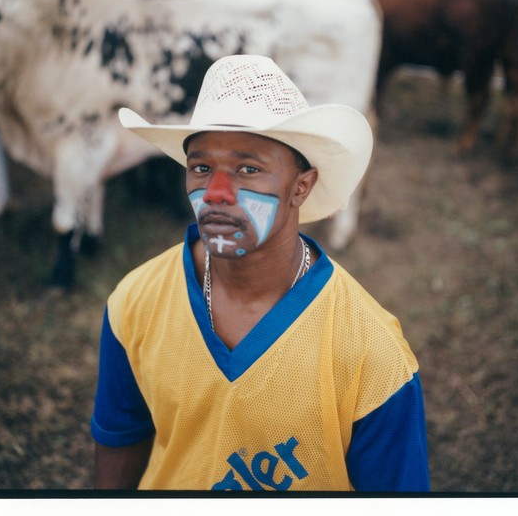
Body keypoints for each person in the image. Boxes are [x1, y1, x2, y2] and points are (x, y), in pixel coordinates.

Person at [90, 54, 430, 492]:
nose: (215, 193)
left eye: (248, 169)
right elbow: (121, 436)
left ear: (301, 186)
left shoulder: (373, 355)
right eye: (201, 167)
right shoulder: (133, 303)